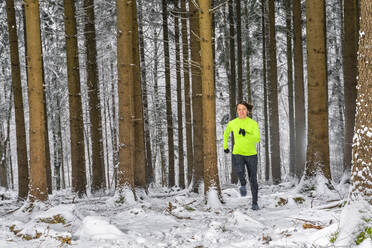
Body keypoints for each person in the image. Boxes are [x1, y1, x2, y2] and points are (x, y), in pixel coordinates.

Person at [223, 101, 260, 210]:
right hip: (237, 152)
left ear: (247, 111)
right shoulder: (232, 123)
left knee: (253, 179)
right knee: (239, 171)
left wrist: (247, 134)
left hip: (251, 154)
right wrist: (225, 146)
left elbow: (257, 138)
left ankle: (255, 202)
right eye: (239, 109)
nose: (241, 111)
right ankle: (243, 184)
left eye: (243, 109)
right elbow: (226, 134)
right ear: (237, 111)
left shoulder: (253, 123)